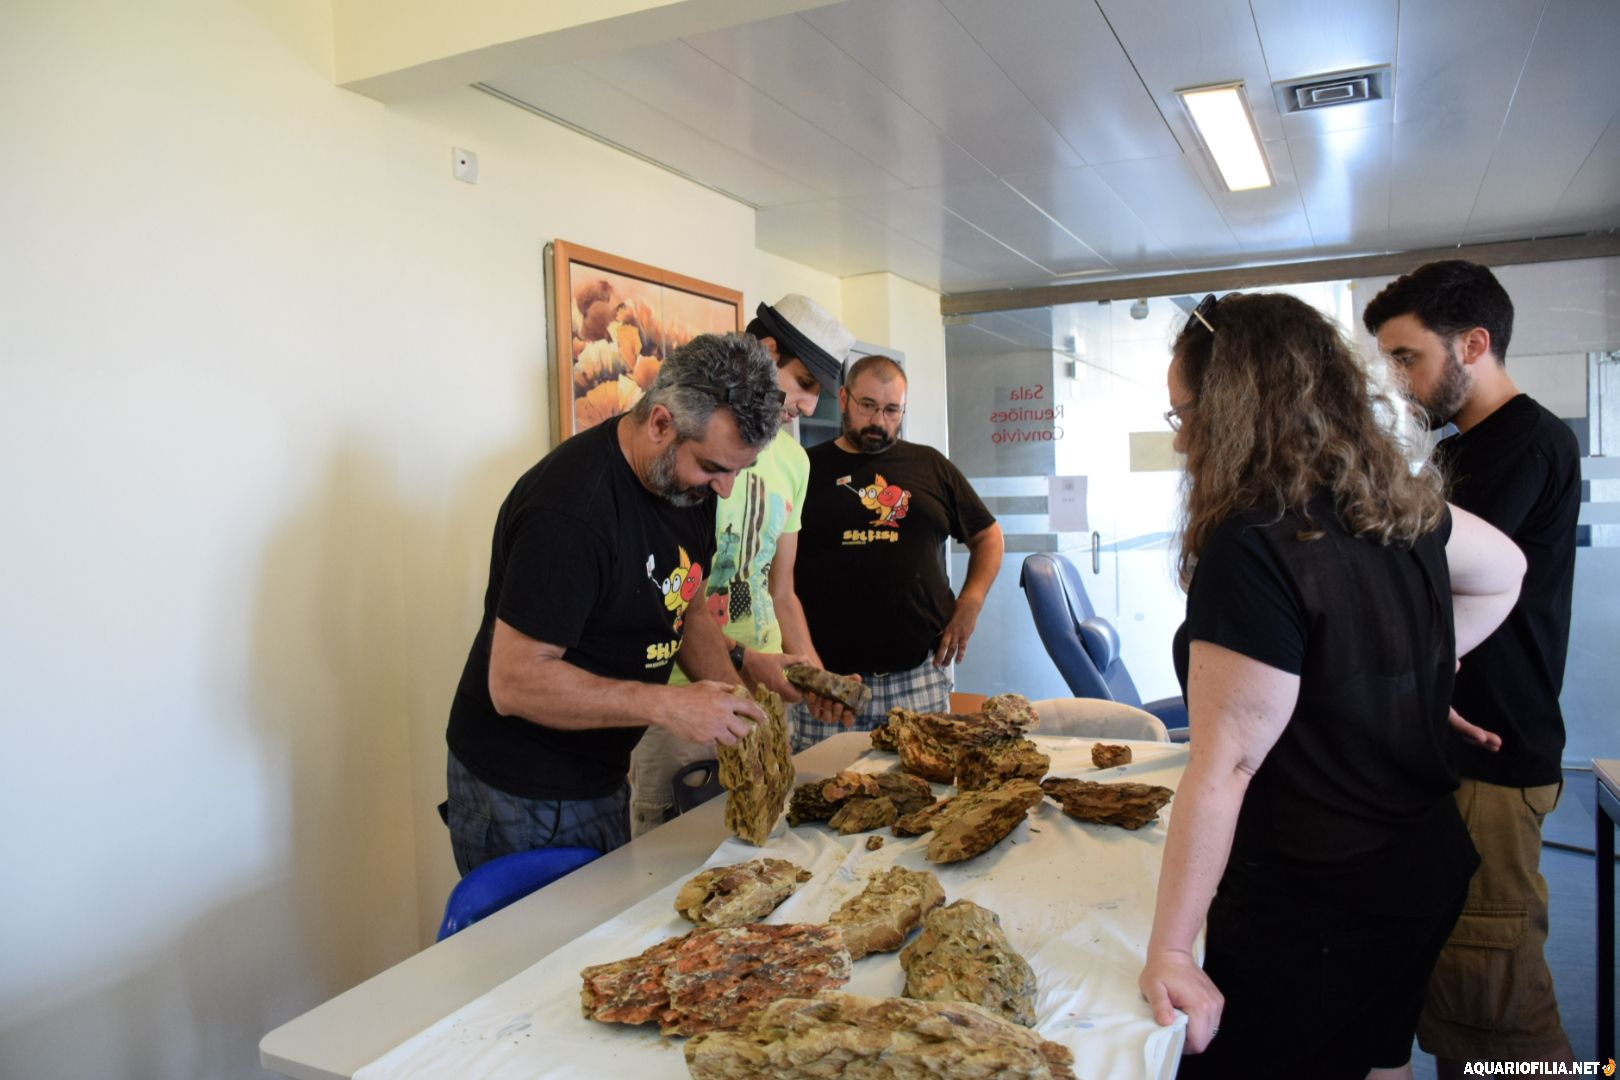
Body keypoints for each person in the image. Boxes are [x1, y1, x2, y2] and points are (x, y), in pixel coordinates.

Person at [1138, 293, 1526, 1079]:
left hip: (1317, 895)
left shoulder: (1252, 540)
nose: (1181, 441)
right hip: (1421, 864)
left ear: (1233, 411)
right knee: (1377, 1057)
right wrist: (1403, 680)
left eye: (1186, 416)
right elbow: (1506, 572)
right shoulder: (1394, 504)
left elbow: (1228, 765)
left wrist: (1173, 950)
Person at [442, 333, 786, 875]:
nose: (725, 489)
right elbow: (514, 682)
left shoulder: (686, 487)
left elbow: (690, 607)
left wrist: (739, 711)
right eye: (713, 467)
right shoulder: (571, 511)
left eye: (738, 471)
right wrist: (668, 705)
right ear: (661, 424)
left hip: (601, 770)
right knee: (562, 932)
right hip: (526, 789)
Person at [1364, 260, 1580, 1075]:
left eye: (1408, 357)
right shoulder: (1466, 447)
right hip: (1460, 754)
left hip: (1493, 754)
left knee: (1500, 1014)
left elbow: (1434, 582)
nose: (1397, 379)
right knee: (1461, 1002)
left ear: (1474, 344)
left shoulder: (1522, 443)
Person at [627, 294, 860, 835]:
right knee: (677, 853)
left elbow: (782, 592)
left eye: (817, 394)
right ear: (768, 351)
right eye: (803, 383)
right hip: (684, 696)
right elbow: (673, 597)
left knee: (768, 846)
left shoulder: (795, 462)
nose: (807, 407)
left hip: (766, 689)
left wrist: (815, 675)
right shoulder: (684, 446)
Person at [790, 353, 1005, 751]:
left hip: (918, 676)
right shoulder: (804, 468)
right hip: (830, 683)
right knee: (824, 786)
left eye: (892, 410)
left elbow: (989, 536)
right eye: (868, 405)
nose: (879, 420)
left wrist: (971, 601)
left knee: (928, 786)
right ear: (844, 399)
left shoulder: (931, 466)